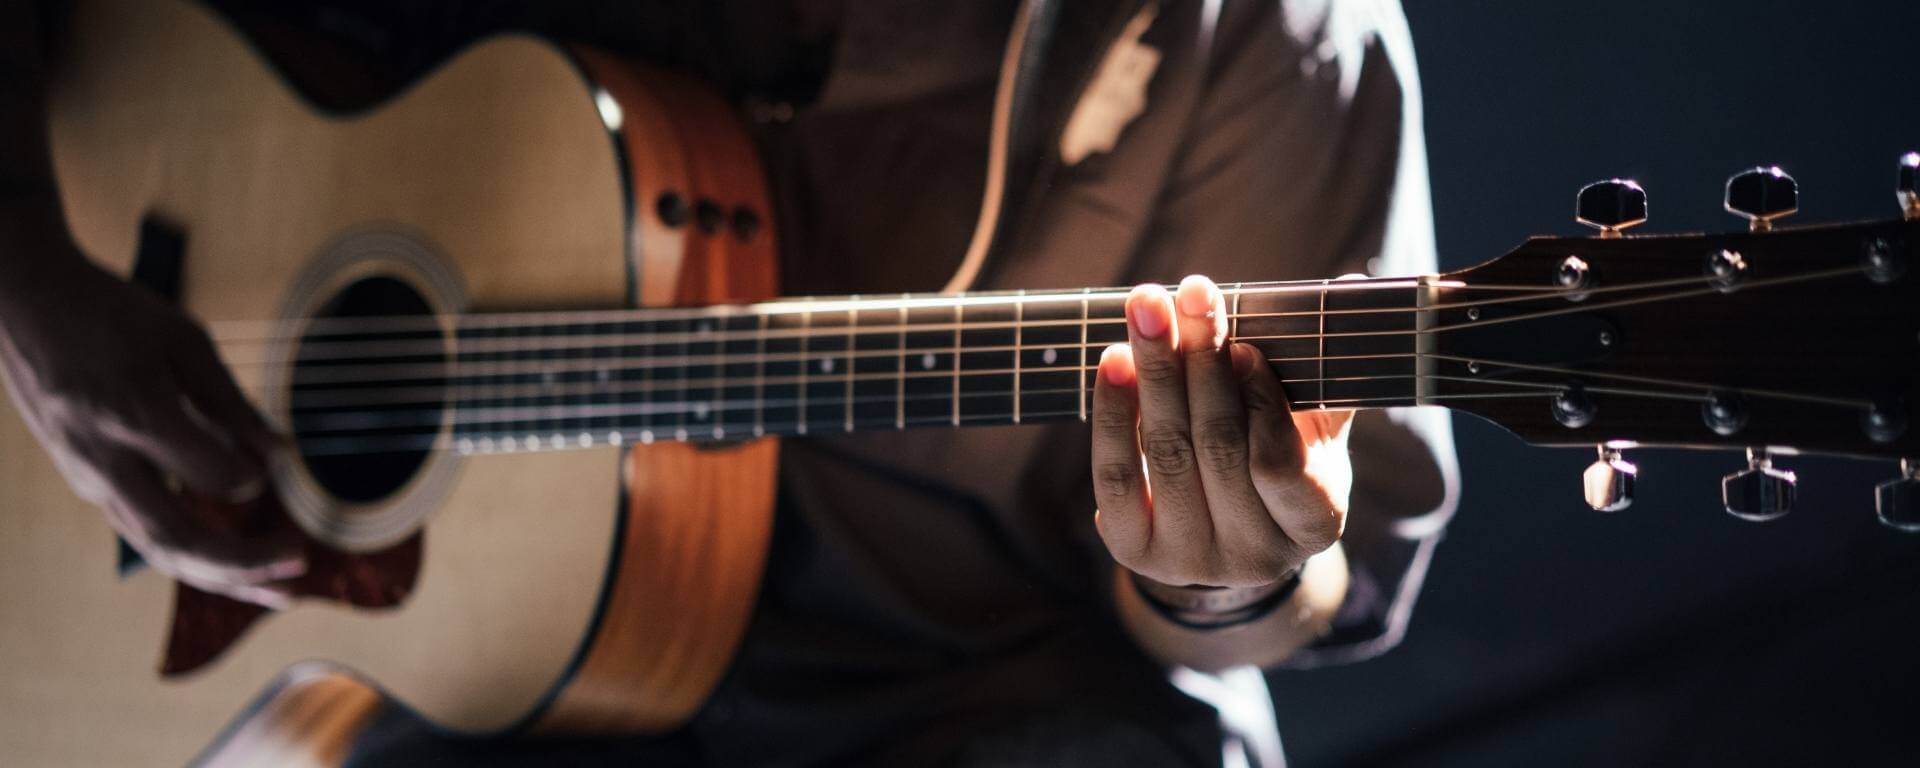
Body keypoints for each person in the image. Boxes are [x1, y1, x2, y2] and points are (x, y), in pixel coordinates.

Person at [0, 1, 1458, 765]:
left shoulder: (1272, 31)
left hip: (981, 695)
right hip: (506, 701)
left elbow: (1305, 593)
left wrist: (1227, 574)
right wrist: (28, 280)